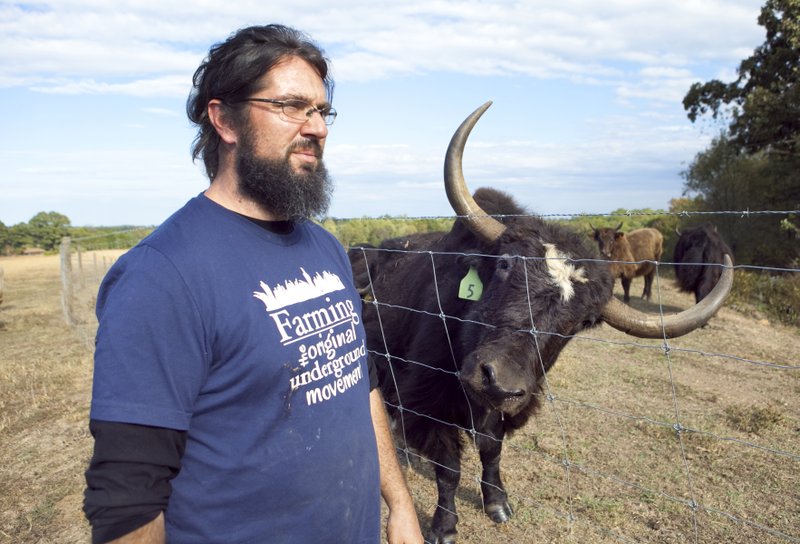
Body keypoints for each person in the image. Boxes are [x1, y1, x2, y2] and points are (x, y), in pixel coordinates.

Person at [83, 24, 423, 544]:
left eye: (322, 111)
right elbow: (128, 493)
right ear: (224, 119)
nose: (317, 128)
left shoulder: (325, 248)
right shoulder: (162, 275)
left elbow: (360, 380)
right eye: (291, 106)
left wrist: (399, 505)